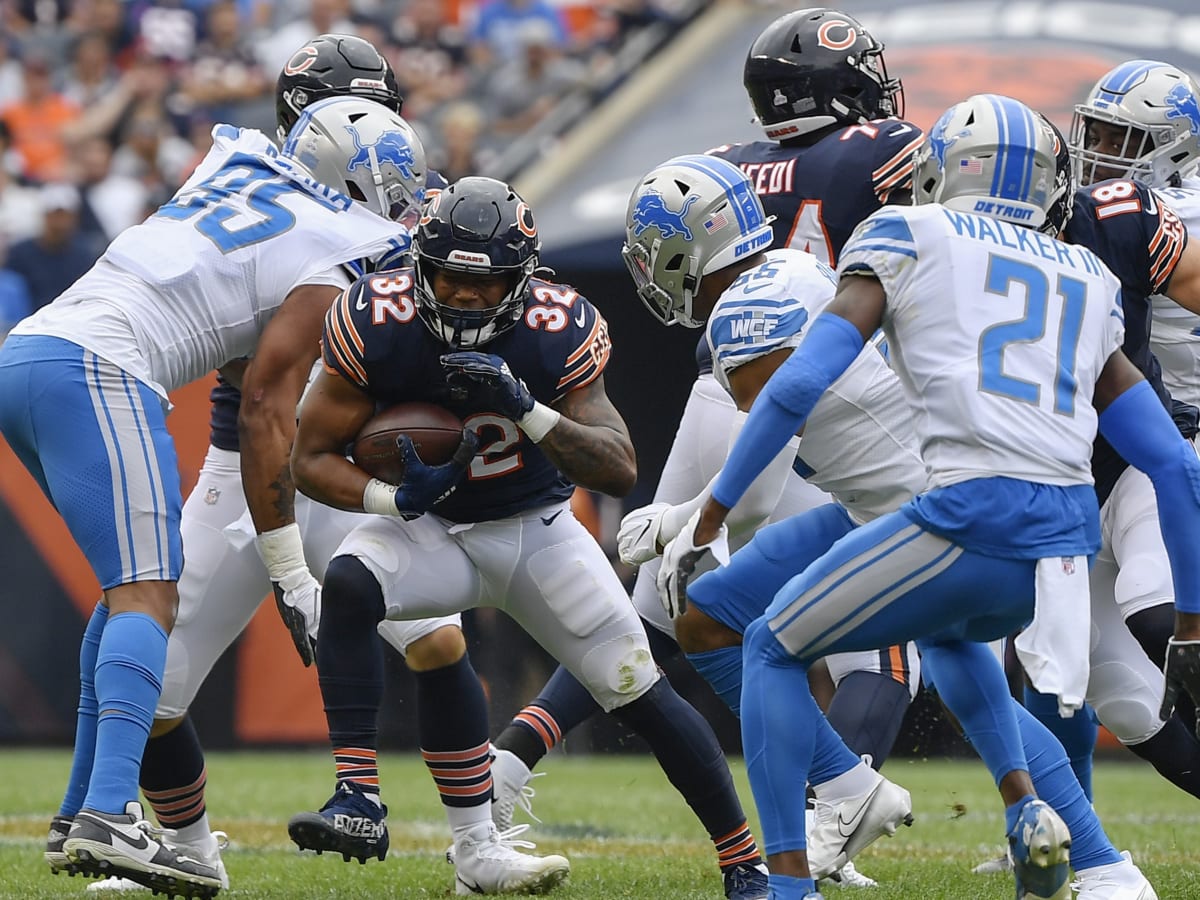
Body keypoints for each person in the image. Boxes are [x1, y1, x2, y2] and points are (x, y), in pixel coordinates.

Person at [656, 96, 1200, 900]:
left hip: (963, 517)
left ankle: (792, 886)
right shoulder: (1087, 272)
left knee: (772, 644)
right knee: (949, 647)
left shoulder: (909, 233)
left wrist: (710, 507)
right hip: (1060, 550)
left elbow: (802, 380)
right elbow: (1175, 467)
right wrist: (1190, 624)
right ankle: (1070, 844)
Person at [490, 10, 921, 889]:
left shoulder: (728, 164)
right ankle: (838, 806)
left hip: (720, 371)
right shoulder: (877, 150)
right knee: (886, 646)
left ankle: (506, 763)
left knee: (658, 595)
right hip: (816, 395)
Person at [289, 175, 768, 896]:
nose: (463, 297)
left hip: (532, 533)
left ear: (522, 279)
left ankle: (745, 864)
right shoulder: (376, 318)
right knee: (350, 584)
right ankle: (358, 797)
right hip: (430, 529)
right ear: (421, 266)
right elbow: (308, 458)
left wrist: (528, 409)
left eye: (485, 284)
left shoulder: (557, 327)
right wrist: (388, 495)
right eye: (448, 277)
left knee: (638, 688)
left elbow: (616, 466)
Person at [73, 36, 469, 894]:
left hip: (344, 456)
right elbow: (245, 366)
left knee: (437, 639)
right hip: (244, 459)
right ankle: (185, 851)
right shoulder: (256, 180)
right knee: (157, 688)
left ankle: (481, 841)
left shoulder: (422, 201)